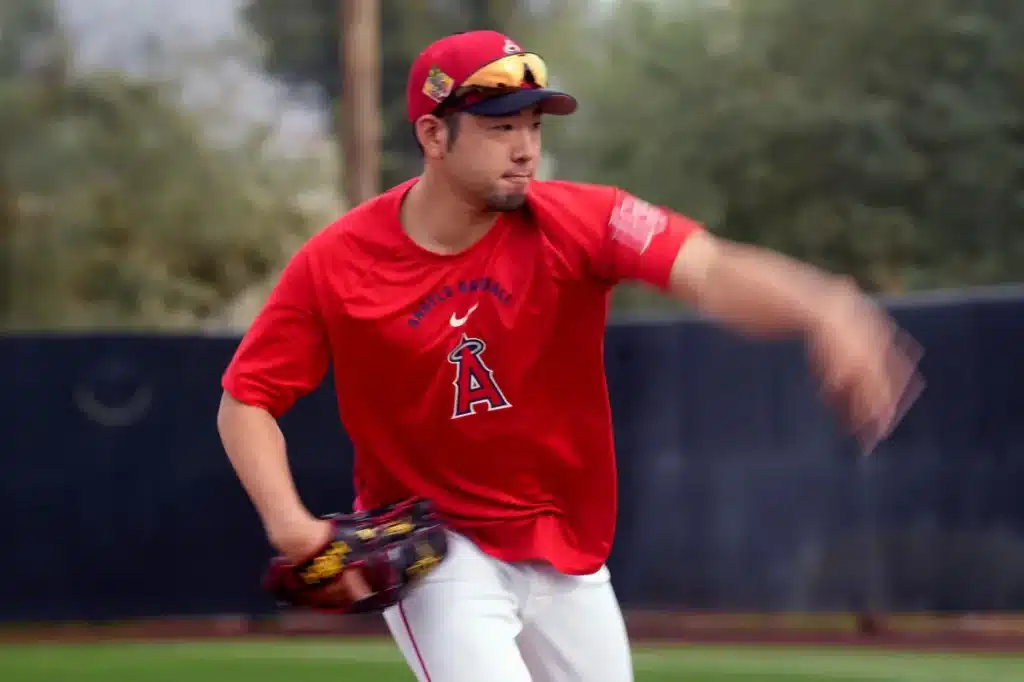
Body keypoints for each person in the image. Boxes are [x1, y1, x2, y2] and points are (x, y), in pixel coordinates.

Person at [217, 30, 922, 682]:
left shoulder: (580, 220)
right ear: (434, 134)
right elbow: (247, 399)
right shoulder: (338, 263)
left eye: (533, 126)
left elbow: (708, 270)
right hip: (440, 549)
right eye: (500, 128)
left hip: (566, 546)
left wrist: (823, 306)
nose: (526, 148)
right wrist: (290, 523)